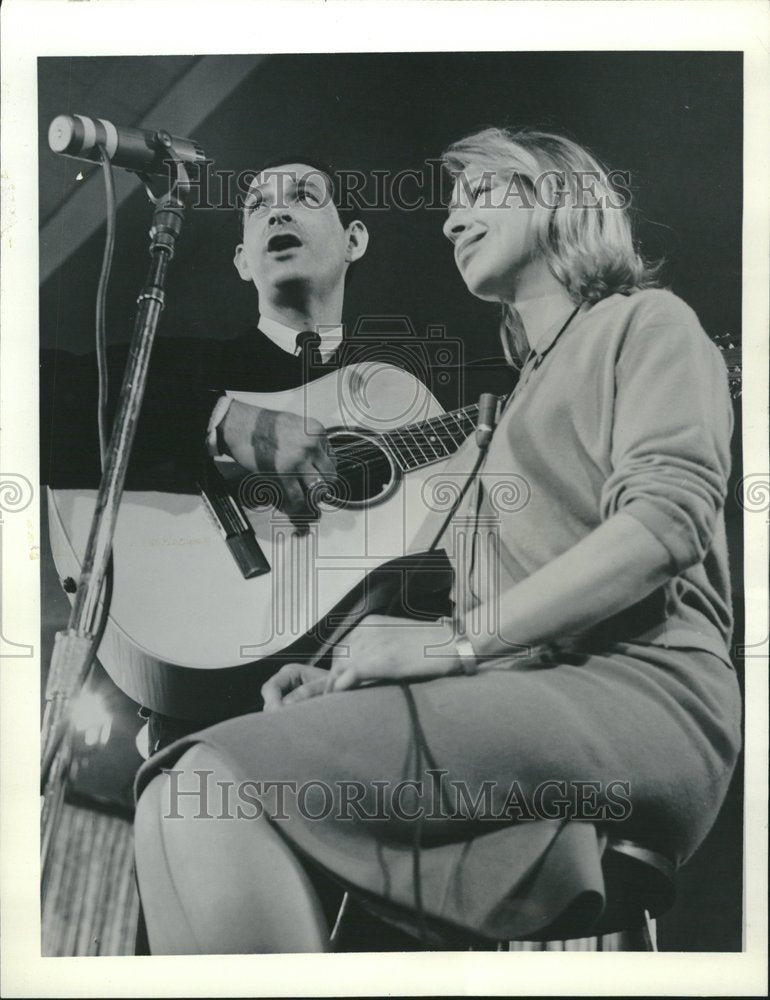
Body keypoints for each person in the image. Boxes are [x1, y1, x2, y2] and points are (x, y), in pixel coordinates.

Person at [132, 127, 742, 953]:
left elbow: (665, 524)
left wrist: (450, 646)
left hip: (643, 693)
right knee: (173, 794)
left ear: (560, 197)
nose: (453, 223)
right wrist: (343, 672)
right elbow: (499, 612)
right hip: (535, 691)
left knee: (219, 784)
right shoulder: (501, 420)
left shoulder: (648, 323)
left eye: (482, 193)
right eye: (452, 208)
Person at [41, 156, 370, 748]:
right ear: (243, 261)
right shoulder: (173, 365)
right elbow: (33, 400)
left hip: (360, 711)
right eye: (256, 205)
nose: (278, 209)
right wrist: (219, 419)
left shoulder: (396, 398)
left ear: (354, 240)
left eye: (304, 195)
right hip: (204, 718)